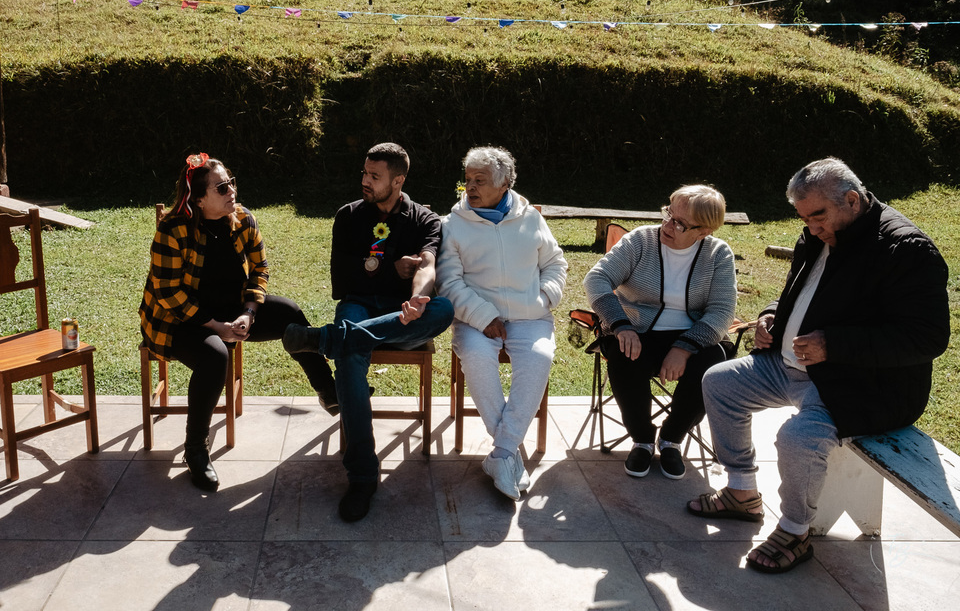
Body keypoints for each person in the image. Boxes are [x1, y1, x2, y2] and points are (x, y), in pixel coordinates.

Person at [688, 157, 950, 574]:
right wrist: (773, 315)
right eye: (804, 218)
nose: (810, 227)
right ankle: (741, 493)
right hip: (793, 365)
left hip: (862, 383)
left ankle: (795, 531)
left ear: (851, 200)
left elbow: (928, 338)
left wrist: (835, 345)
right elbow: (800, 290)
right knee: (720, 383)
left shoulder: (906, 249)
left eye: (817, 216)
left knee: (797, 438)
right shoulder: (820, 232)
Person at [282, 142, 454, 522]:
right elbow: (342, 278)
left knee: (443, 309)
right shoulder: (348, 216)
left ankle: (322, 339)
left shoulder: (425, 219)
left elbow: (428, 263)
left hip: (405, 314)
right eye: (364, 173)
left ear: (398, 180)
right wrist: (391, 269)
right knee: (350, 356)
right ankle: (362, 477)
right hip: (359, 305)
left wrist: (417, 298)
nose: (365, 181)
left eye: (374, 176)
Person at [140, 153, 317, 492]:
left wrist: (248, 313)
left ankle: (329, 390)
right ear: (199, 198)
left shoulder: (243, 219)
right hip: (177, 321)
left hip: (231, 311)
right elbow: (167, 294)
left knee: (289, 313)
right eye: (222, 188)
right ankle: (196, 450)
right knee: (215, 356)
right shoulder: (173, 229)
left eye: (231, 182)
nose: (231, 191)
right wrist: (216, 327)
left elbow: (260, 270)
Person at [436, 146, 568, 500]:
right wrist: (483, 316)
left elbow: (556, 264)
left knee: (539, 358)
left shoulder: (531, 218)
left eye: (480, 180)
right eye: (467, 180)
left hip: (530, 316)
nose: (471, 187)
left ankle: (501, 454)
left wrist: (545, 298)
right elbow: (448, 282)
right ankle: (507, 453)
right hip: (475, 319)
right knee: (477, 359)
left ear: (505, 182)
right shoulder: (453, 225)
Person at [583, 185, 738, 480]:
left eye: (679, 223)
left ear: (703, 231)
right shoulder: (641, 241)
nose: (667, 225)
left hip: (693, 335)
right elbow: (597, 279)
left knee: (712, 368)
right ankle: (642, 439)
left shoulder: (718, 255)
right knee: (624, 354)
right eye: (668, 213)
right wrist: (620, 325)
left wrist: (684, 347)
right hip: (636, 328)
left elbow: (721, 311)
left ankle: (671, 439)